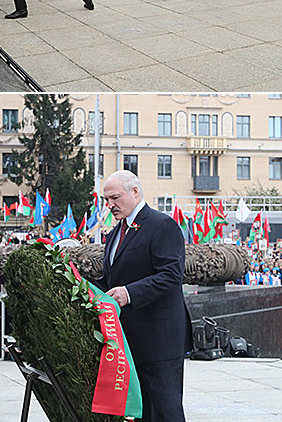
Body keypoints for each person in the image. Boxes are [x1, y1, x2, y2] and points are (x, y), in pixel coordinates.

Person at [98, 170, 192, 422]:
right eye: (106, 199)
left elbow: (171, 275)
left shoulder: (162, 225)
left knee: (165, 411)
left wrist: (129, 294)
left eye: (115, 197)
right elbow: (112, 279)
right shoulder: (116, 231)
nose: (109, 205)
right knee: (140, 413)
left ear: (135, 192)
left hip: (159, 341)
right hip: (129, 340)